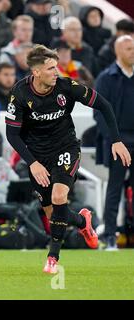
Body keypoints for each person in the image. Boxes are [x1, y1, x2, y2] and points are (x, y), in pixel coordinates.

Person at [5, 44, 131, 274]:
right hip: (37, 156)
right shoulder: (19, 94)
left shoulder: (66, 86)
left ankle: (52, 258)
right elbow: (12, 134)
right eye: (51, 68)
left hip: (66, 147)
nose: (57, 72)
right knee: (54, 213)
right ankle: (83, 222)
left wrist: (116, 140)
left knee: (59, 195)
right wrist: (33, 163)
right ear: (36, 72)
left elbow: (104, 105)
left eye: (57, 67)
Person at [95, 35, 134, 250]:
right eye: (129, 48)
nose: (133, 52)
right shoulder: (106, 78)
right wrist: (113, 140)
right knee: (114, 188)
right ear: (118, 51)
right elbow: (99, 113)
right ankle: (109, 235)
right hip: (118, 141)